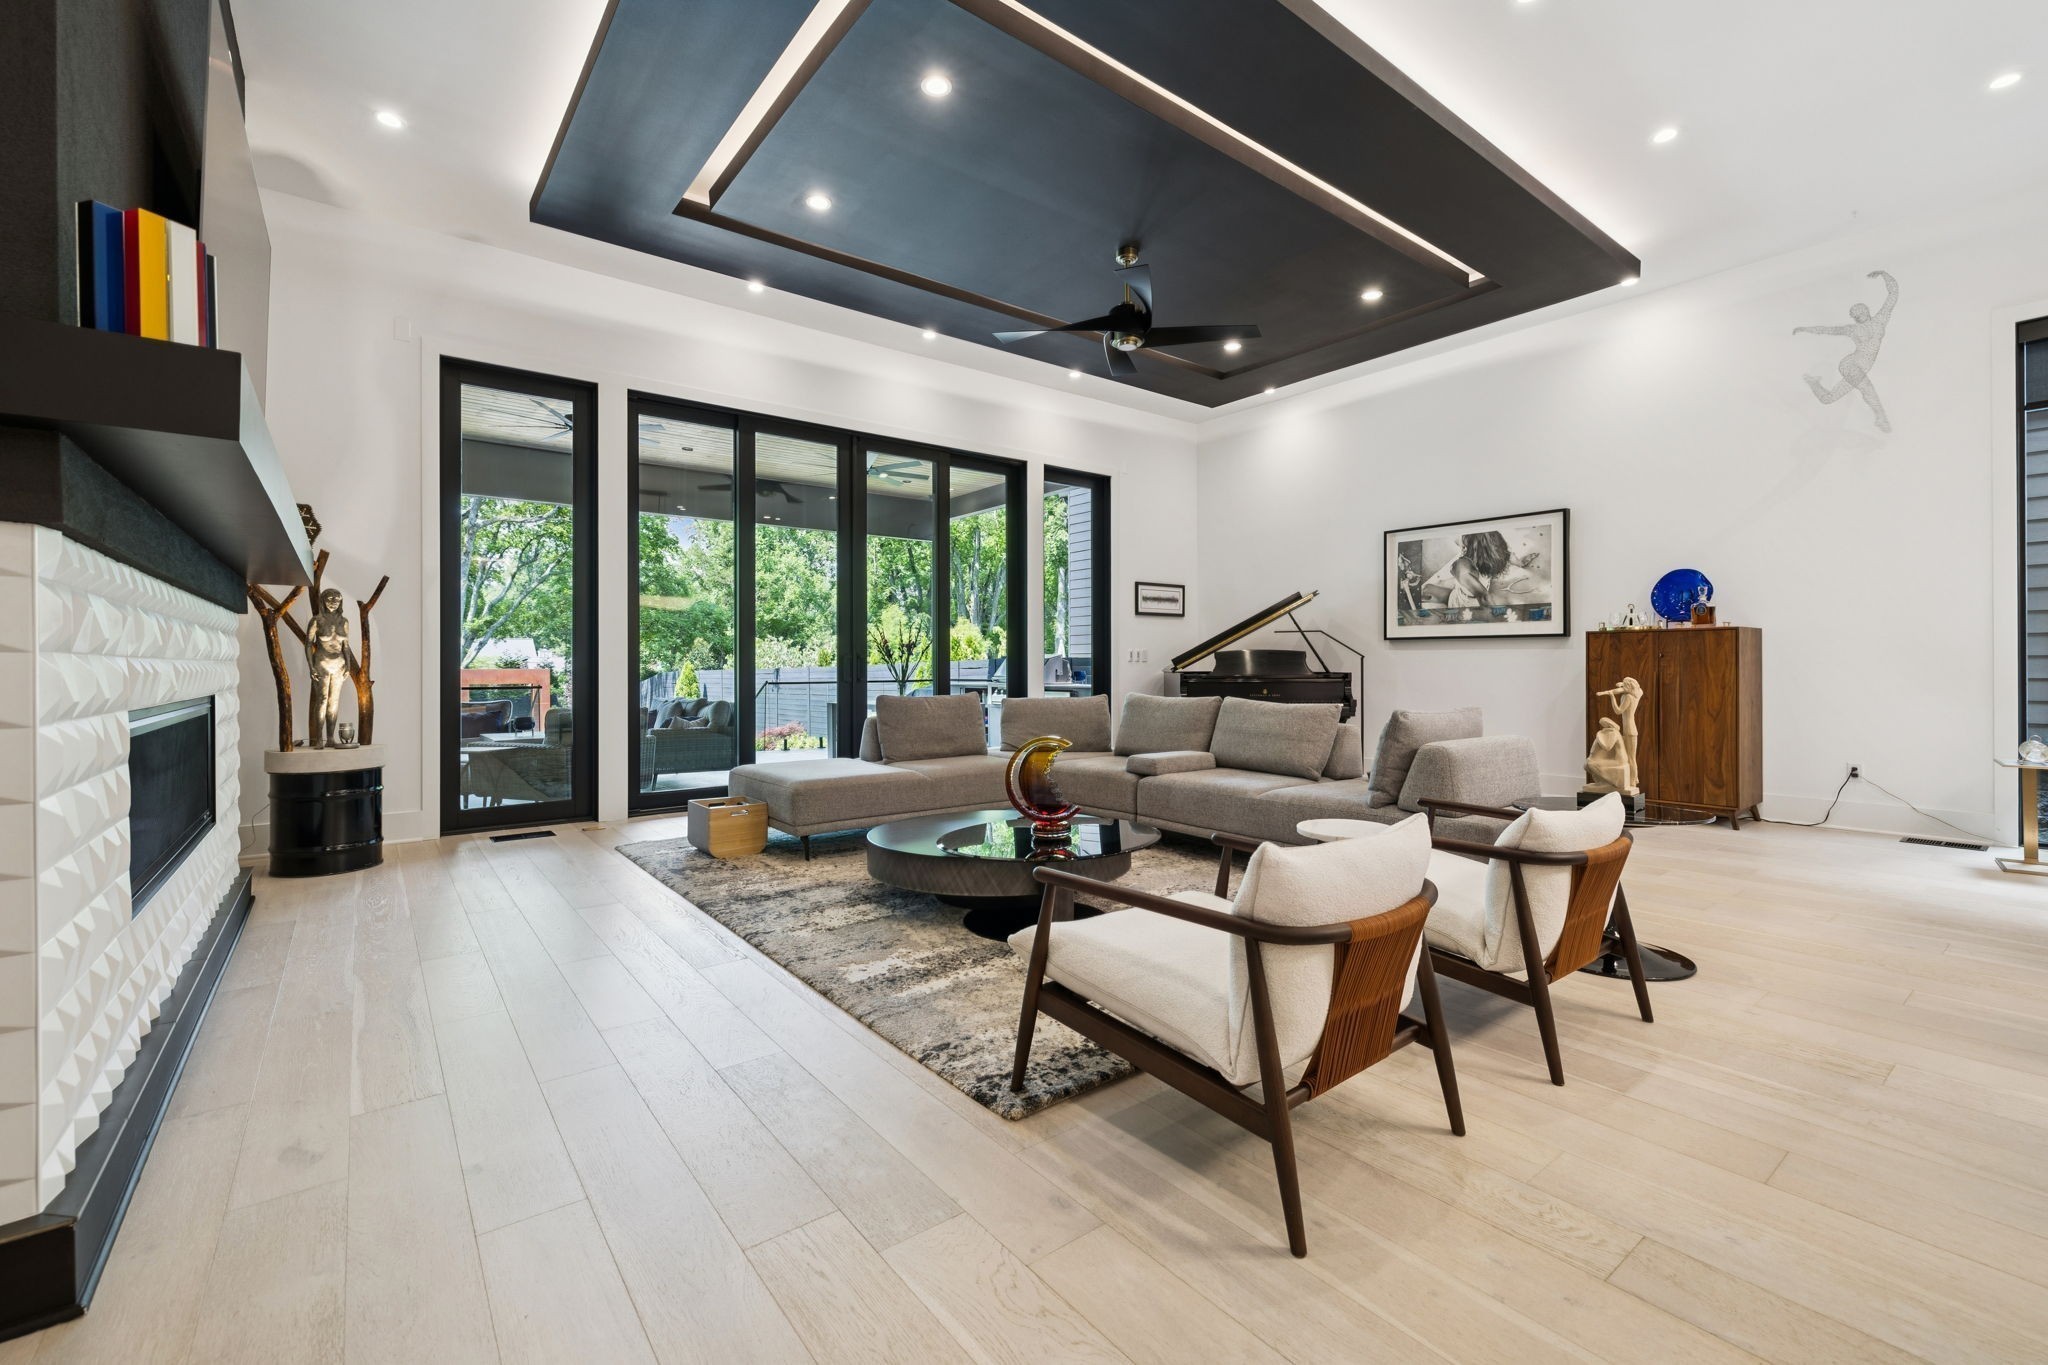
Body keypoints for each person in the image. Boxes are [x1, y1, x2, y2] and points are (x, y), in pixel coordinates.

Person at [1794, 269, 1898, 433]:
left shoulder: (1881, 320)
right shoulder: (1852, 329)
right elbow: (1828, 330)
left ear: (1866, 310)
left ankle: (1813, 382)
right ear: (1854, 317)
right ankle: (1881, 418)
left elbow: (1893, 295)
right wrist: (1805, 329)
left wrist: (1884, 274)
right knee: (1867, 389)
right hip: (1850, 365)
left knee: (1828, 399)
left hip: (1861, 369)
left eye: (1861, 311)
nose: (1859, 315)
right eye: (1855, 314)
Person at [305, 587, 358, 749]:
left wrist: (348, 666)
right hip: (322, 663)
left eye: (337, 599)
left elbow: (346, 646)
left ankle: (330, 738)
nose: (334, 603)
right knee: (321, 700)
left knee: (334, 702)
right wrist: (311, 667)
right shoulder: (316, 621)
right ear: (323, 600)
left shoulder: (344, 622)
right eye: (330, 599)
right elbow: (308, 644)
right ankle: (319, 739)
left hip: (340, 665)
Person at [1417, 531, 1513, 611]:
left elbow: (1485, 597)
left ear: (1469, 542)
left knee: (1426, 588)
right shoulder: (1493, 556)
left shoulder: (1461, 566)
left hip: (1462, 603)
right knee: (1431, 588)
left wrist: (1496, 619)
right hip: (1469, 593)